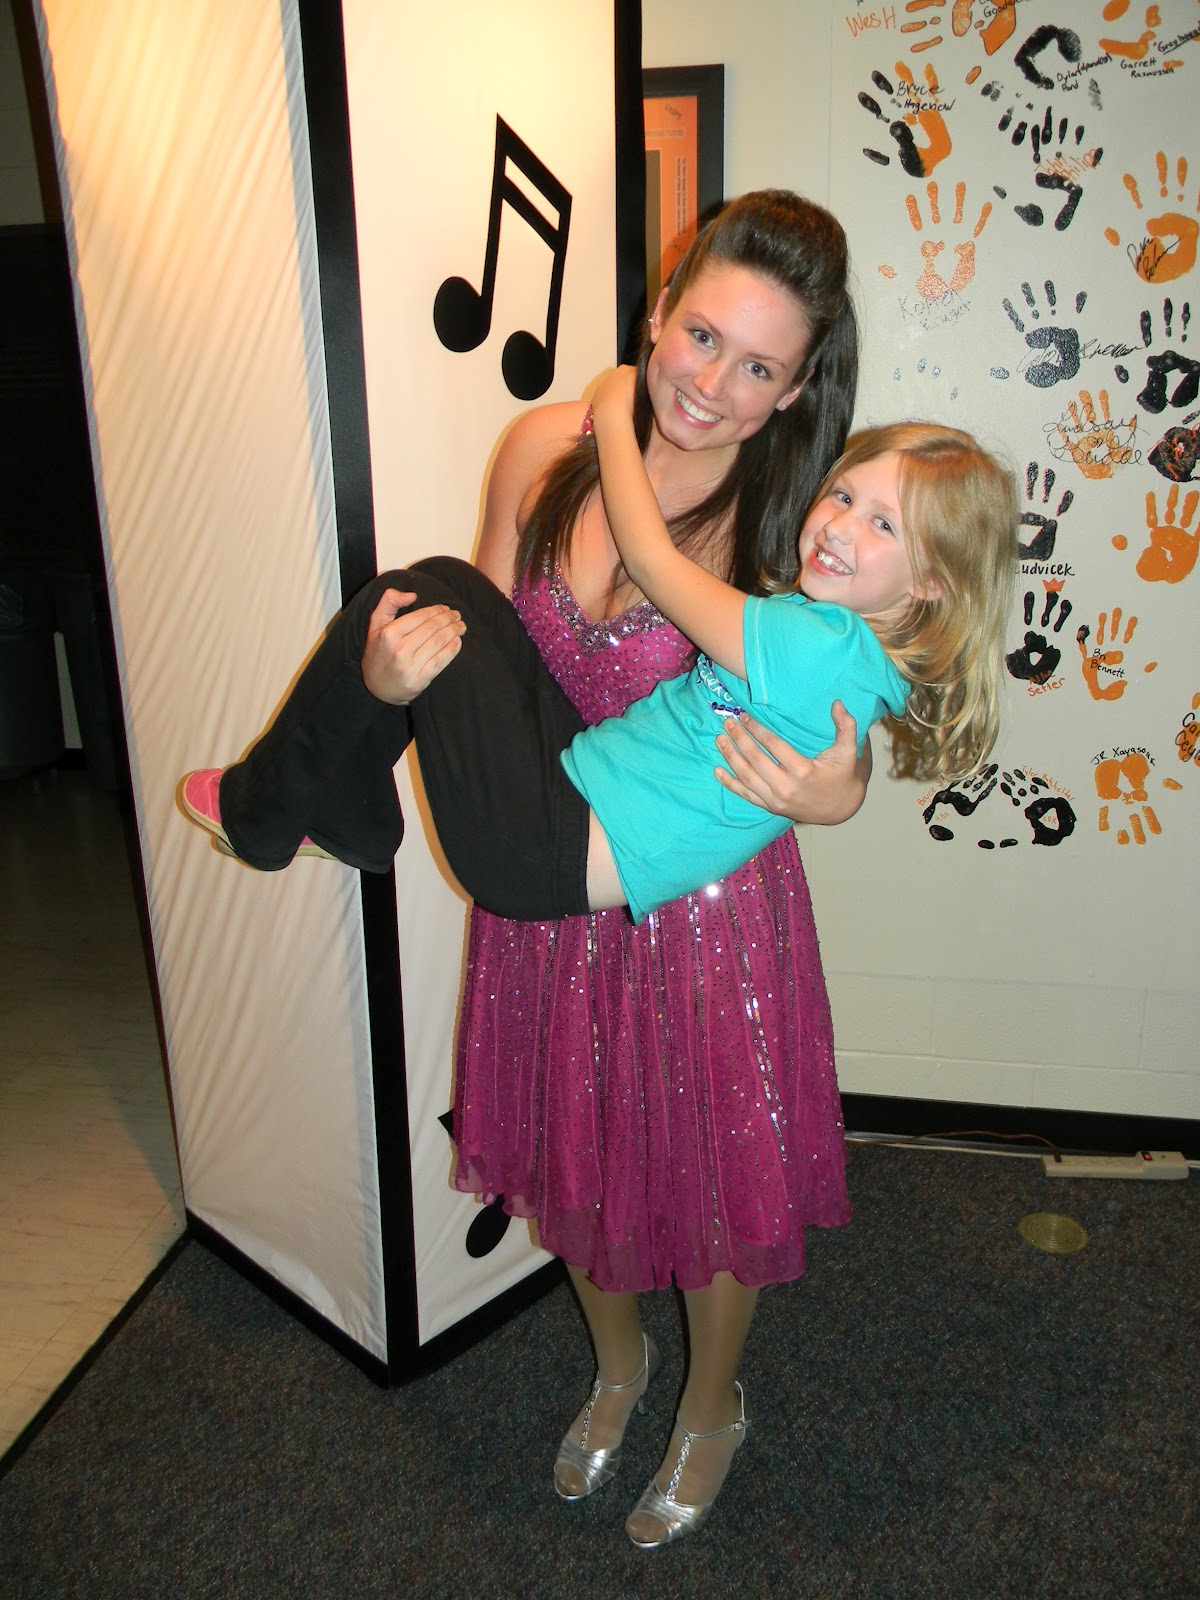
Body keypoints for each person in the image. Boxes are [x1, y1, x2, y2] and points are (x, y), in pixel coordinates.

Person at [188, 191, 880, 1549]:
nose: (712, 385)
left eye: (760, 367)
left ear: (799, 388)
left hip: (702, 905)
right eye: (701, 336)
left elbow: (847, 715)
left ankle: (712, 1404)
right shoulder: (538, 450)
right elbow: (489, 684)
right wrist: (392, 683)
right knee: (577, 1159)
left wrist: (842, 790)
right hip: (549, 865)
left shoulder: (798, 519)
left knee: (709, 1179)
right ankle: (619, 1367)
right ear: (659, 310)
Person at [181, 400, 1015, 927]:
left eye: (883, 526)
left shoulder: (819, 645)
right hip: (572, 795)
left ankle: (264, 811)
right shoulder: (852, 654)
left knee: (412, 595)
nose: (838, 527)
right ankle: (347, 809)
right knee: (443, 588)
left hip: (544, 847)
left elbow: (652, 562)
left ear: (931, 583)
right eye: (844, 496)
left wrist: (614, 416)